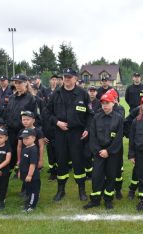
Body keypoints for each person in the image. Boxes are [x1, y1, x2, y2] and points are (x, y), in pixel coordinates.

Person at [46, 68, 93, 202]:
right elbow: (47, 112)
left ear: (75, 78)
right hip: (60, 133)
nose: (67, 79)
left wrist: (87, 129)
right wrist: (57, 122)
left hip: (76, 133)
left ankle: (82, 190)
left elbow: (90, 114)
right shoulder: (56, 93)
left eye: (69, 77)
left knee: (78, 161)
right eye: (65, 77)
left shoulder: (83, 93)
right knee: (61, 161)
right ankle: (61, 190)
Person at [83, 93, 123, 210]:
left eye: (107, 103)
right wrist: (99, 150)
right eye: (103, 103)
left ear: (113, 103)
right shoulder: (96, 117)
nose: (105, 106)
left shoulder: (119, 118)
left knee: (111, 176)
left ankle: (108, 199)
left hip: (112, 153)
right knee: (96, 176)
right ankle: (95, 199)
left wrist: (108, 151)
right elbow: (93, 136)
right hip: (99, 153)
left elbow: (118, 138)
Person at [4, 74, 38, 176]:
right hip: (10, 131)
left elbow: (35, 116)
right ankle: (8, 174)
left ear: (25, 83)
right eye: (16, 82)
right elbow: (7, 113)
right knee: (11, 154)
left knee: (25, 156)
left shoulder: (31, 98)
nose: (17, 85)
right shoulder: (11, 98)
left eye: (19, 83)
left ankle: (26, 183)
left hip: (24, 132)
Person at [17, 111, 44, 196]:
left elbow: (41, 146)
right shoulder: (21, 131)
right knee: (25, 172)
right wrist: (19, 159)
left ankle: (36, 192)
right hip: (25, 157)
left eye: (27, 119)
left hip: (34, 157)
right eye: (23, 119)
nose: (25, 121)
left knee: (34, 175)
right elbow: (19, 146)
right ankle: (25, 189)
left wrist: (40, 160)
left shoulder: (38, 131)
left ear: (33, 120)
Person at [18, 128, 41, 212]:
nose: (25, 140)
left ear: (34, 138)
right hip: (26, 175)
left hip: (32, 176)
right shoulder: (25, 148)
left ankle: (32, 206)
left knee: (33, 192)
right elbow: (22, 163)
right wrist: (20, 172)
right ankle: (28, 203)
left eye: (27, 138)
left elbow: (33, 164)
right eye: (23, 138)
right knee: (28, 191)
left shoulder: (33, 150)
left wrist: (30, 175)